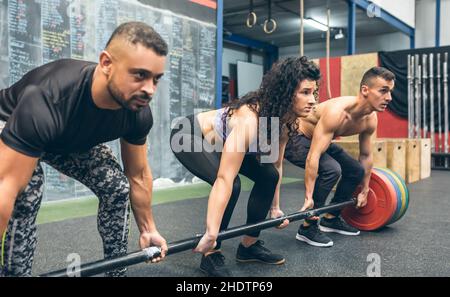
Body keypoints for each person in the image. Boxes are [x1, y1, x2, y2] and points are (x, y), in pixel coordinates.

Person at [0, 22, 168, 277]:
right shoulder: (49, 98)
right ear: (106, 63)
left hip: (65, 139)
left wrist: (147, 229)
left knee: (116, 187)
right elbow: (6, 190)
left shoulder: (137, 111)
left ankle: (116, 271)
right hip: (12, 126)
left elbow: (137, 175)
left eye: (156, 79)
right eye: (139, 75)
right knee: (28, 193)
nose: (149, 89)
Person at [170, 56, 320, 276]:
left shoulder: (283, 118)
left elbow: (275, 164)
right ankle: (211, 252)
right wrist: (211, 232)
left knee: (268, 175)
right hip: (191, 134)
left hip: (221, 141)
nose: (313, 100)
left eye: (313, 92)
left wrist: (275, 208)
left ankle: (248, 246)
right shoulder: (249, 120)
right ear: (286, 91)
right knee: (234, 184)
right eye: (305, 92)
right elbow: (224, 179)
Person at [277, 67, 395, 247]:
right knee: (332, 169)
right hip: (296, 136)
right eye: (383, 91)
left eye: (390, 91)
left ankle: (331, 218)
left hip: (320, 139)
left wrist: (365, 189)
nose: (389, 98)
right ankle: (308, 226)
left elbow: (365, 155)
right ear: (365, 90)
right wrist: (309, 197)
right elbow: (313, 156)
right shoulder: (337, 112)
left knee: (356, 170)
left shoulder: (370, 119)